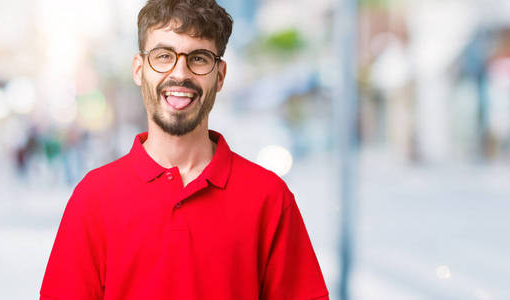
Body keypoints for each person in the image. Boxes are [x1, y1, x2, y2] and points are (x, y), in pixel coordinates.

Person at [40, 0, 329, 299]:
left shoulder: (270, 198)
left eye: (199, 58)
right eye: (163, 56)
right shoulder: (93, 198)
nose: (180, 74)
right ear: (139, 70)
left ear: (220, 75)